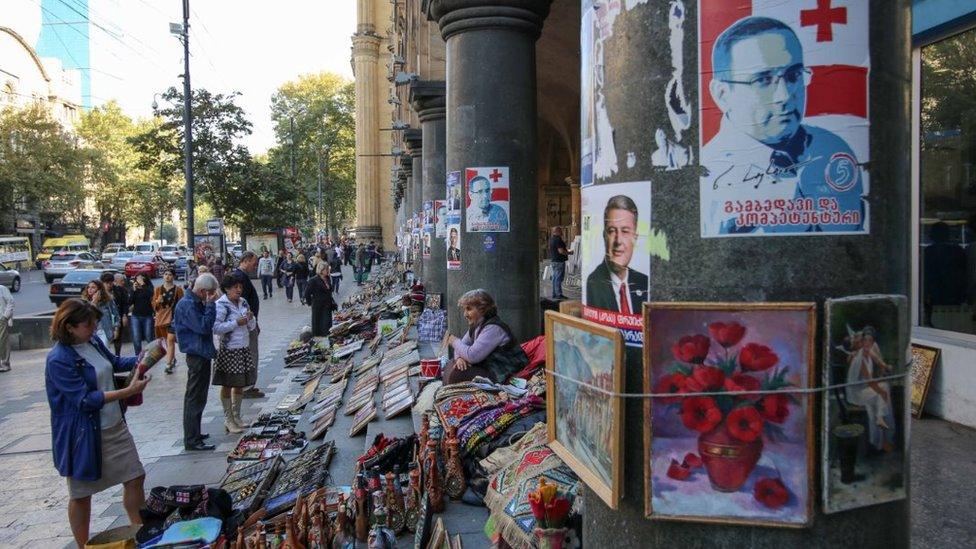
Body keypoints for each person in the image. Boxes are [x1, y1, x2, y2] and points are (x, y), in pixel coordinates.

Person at [701, 16, 864, 235]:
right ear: (722, 94)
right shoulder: (705, 176)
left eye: (793, 75)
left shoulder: (833, 150)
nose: (785, 95)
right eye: (763, 80)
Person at [45, 299, 151, 547]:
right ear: (69, 326)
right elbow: (84, 400)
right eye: (88, 325)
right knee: (82, 494)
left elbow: (113, 363)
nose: (93, 328)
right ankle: (83, 544)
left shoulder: (91, 342)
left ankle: (139, 533)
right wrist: (127, 392)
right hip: (84, 435)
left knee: (135, 476)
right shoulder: (59, 359)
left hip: (114, 426)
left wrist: (144, 358)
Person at [173, 273, 219, 451]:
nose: (212, 296)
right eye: (210, 293)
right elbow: (204, 326)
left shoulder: (194, 302)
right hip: (196, 353)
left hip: (201, 352)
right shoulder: (188, 305)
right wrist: (209, 305)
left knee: (200, 396)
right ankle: (192, 439)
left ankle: (195, 433)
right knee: (194, 397)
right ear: (202, 291)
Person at [444, 289, 528, 385]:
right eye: (464, 310)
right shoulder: (476, 325)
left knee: (457, 374)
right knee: (452, 364)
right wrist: (459, 358)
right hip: (488, 368)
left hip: (503, 373)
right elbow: (461, 347)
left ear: (482, 309)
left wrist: (454, 341)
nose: (465, 314)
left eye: (469, 309)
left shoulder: (494, 328)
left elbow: (472, 356)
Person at [585, 195, 647, 314]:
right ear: (604, 236)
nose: (618, 240)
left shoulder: (644, 282)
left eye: (625, 231)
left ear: (635, 237)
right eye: (612, 231)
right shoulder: (594, 282)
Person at [212, 275, 257, 434]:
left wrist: (250, 319)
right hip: (228, 349)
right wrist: (235, 323)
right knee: (228, 383)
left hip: (242, 346)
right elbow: (216, 328)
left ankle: (237, 416)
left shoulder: (243, 302)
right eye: (235, 287)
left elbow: (251, 326)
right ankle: (228, 419)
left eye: (240, 287)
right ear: (227, 289)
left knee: (239, 383)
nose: (239, 290)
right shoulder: (220, 305)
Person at [845, 326, 896, 453]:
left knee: (883, 390)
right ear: (859, 344)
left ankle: (881, 439)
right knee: (883, 391)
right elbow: (870, 382)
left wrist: (885, 366)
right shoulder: (859, 358)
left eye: (869, 340)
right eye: (864, 340)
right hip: (856, 394)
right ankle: (883, 430)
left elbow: (876, 359)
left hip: (864, 389)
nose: (868, 343)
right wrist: (881, 391)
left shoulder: (865, 352)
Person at [231, 251, 265, 399]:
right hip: (246, 324)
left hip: (249, 322)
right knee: (250, 353)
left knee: (251, 353)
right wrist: (250, 322)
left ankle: (248, 385)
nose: (255, 265)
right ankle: (246, 387)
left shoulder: (242, 275)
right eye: (254, 262)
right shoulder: (240, 277)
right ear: (246, 260)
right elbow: (241, 302)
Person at [152, 270, 184, 374]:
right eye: (166, 274)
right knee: (167, 340)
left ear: (173, 277)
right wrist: (157, 301)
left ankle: (168, 364)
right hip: (162, 318)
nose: (167, 276)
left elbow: (182, 303)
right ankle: (172, 358)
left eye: (170, 274)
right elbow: (154, 306)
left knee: (170, 339)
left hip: (174, 318)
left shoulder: (177, 290)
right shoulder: (158, 289)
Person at [83, 280, 119, 346]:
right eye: (88, 287)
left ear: (99, 290)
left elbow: (115, 315)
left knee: (103, 350)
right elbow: (86, 315)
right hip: (91, 332)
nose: (90, 289)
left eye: (93, 287)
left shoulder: (107, 301)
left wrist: (116, 329)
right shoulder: (85, 302)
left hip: (104, 330)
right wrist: (94, 302)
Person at [303, 265, 335, 337]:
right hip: (318, 305)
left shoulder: (327, 278)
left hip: (327, 304)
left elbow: (329, 290)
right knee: (319, 324)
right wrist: (310, 303)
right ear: (321, 270)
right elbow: (307, 293)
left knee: (327, 323)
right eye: (326, 269)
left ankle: (327, 337)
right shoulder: (313, 280)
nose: (328, 271)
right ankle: (319, 338)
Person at [130, 274, 155, 356]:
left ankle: (151, 356)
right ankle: (138, 357)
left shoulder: (148, 287)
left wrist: (143, 285)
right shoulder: (135, 288)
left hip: (147, 315)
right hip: (136, 316)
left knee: (149, 337)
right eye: (137, 278)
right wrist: (133, 290)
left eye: (141, 278)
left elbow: (150, 295)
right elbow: (130, 301)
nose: (139, 280)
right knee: (136, 338)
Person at [106, 273, 131, 356]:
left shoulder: (119, 290)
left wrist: (124, 315)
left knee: (118, 337)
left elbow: (125, 303)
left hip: (117, 317)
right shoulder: (99, 292)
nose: (109, 285)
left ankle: (117, 355)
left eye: (110, 283)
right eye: (106, 283)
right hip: (105, 319)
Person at [548, 227, 573, 299]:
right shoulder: (558, 240)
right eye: (560, 231)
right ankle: (558, 294)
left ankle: (554, 294)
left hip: (554, 261)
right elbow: (561, 251)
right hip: (559, 261)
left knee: (555, 278)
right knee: (558, 278)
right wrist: (569, 253)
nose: (562, 232)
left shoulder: (552, 239)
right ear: (557, 231)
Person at [0, 281, 13, 372]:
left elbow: (10, 302)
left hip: (1, 319)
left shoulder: (2, 289)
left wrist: (5, 316)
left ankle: (5, 364)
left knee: (3, 341)